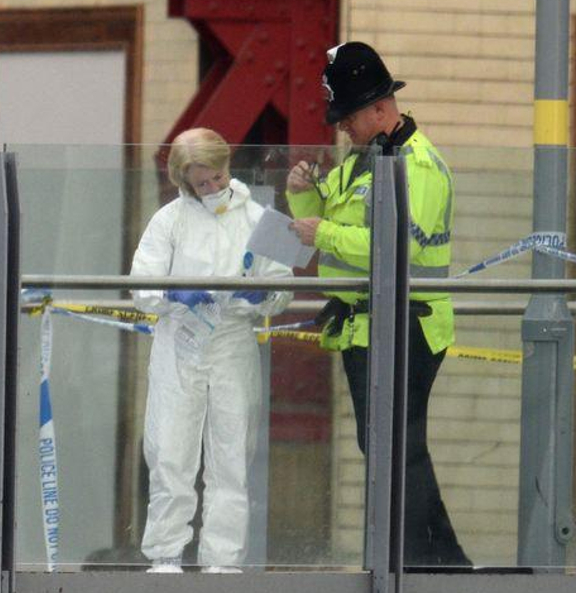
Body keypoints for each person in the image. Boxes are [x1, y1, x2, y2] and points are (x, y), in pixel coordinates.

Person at [286, 42, 471, 568]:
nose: (342, 127)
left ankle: (425, 563)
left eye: (347, 117)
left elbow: (399, 246)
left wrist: (323, 231)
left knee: (396, 447)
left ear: (380, 109)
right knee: (388, 447)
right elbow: (328, 223)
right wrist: (304, 197)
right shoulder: (366, 159)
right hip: (367, 325)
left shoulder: (420, 166)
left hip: (407, 325)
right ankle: (438, 563)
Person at [131, 128, 292, 573]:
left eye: (217, 177)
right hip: (178, 345)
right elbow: (141, 285)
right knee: (169, 453)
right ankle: (164, 555)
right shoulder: (169, 220)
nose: (213, 188)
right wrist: (174, 294)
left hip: (232, 345)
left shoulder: (264, 219)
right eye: (201, 184)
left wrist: (264, 297)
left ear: (227, 167)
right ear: (185, 184)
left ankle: (223, 560)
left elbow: (284, 286)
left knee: (230, 456)